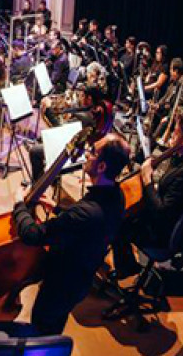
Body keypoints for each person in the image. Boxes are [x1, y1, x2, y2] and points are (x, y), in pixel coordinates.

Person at [13, 133, 129, 334]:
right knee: (56, 321)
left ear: (102, 167)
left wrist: (19, 206)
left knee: (42, 324)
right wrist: (57, 209)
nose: (86, 154)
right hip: (80, 280)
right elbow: (88, 223)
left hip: (60, 283)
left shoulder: (84, 213)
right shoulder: (117, 196)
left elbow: (32, 235)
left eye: (92, 152)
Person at [109, 112, 183, 286]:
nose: (172, 135)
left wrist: (147, 180)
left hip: (160, 232)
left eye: (176, 132)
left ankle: (126, 266)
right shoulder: (181, 158)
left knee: (117, 221)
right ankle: (126, 264)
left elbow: (162, 211)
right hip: (158, 218)